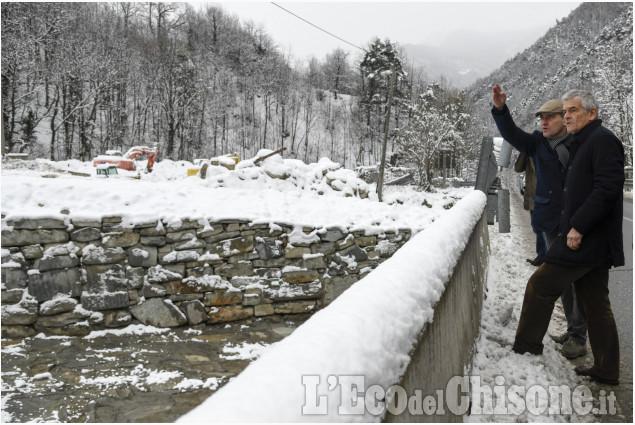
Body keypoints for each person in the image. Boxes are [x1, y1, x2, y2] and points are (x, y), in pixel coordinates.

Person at [512, 89, 624, 386]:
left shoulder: (603, 142)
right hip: (585, 238)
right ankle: (607, 369)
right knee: (594, 304)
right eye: (567, 110)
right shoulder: (583, 142)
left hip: (585, 240)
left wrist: (578, 227)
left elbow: (606, 189)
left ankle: (525, 348)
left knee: (540, 285)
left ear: (591, 113)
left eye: (574, 110)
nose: (568, 115)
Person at [491, 84, 588, 359]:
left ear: (563, 119)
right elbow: (510, 133)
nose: (543, 122)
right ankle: (574, 331)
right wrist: (500, 109)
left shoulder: (578, 142)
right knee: (563, 282)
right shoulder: (536, 142)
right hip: (549, 222)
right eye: (540, 118)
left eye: (550, 118)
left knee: (573, 281)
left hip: (574, 222)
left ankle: (578, 337)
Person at [514, 153, 547, 266]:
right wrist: (525, 150)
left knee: (546, 230)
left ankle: (549, 261)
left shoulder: (549, 148)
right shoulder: (529, 151)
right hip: (533, 197)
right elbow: (518, 168)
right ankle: (542, 256)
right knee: (537, 228)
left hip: (547, 197)